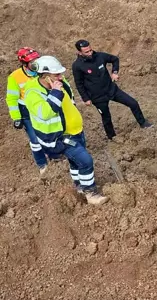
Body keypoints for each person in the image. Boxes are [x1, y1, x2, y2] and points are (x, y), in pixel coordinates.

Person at [24, 56, 109, 205]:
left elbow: (71, 101)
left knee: (75, 162)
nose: (61, 77)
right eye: (56, 75)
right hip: (59, 138)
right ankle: (91, 193)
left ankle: (79, 186)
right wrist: (55, 92)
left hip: (76, 131)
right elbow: (46, 113)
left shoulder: (61, 83)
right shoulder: (32, 93)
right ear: (45, 76)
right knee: (86, 161)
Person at [71, 39, 151, 140]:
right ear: (79, 52)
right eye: (86, 52)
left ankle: (143, 123)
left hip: (111, 89)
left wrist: (115, 72)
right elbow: (79, 83)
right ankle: (112, 136)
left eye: (90, 50)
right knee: (106, 117)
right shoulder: (77, 66)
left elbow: (115, 59)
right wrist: (85, 98)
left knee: (133, 103)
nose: (90, 53)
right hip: (97, 97)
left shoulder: (100, 56)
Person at [6, 47, 50, 174]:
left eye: (37, 60)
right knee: (35, 140)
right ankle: (42, 164)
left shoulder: (43, 71)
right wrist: (16, 117)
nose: (36, 64)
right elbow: (11, 99)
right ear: (25, 64)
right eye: (33, 62)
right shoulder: (15, 77)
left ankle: (54, 156)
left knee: (50, 133)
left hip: (43, 106)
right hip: (27, 111)